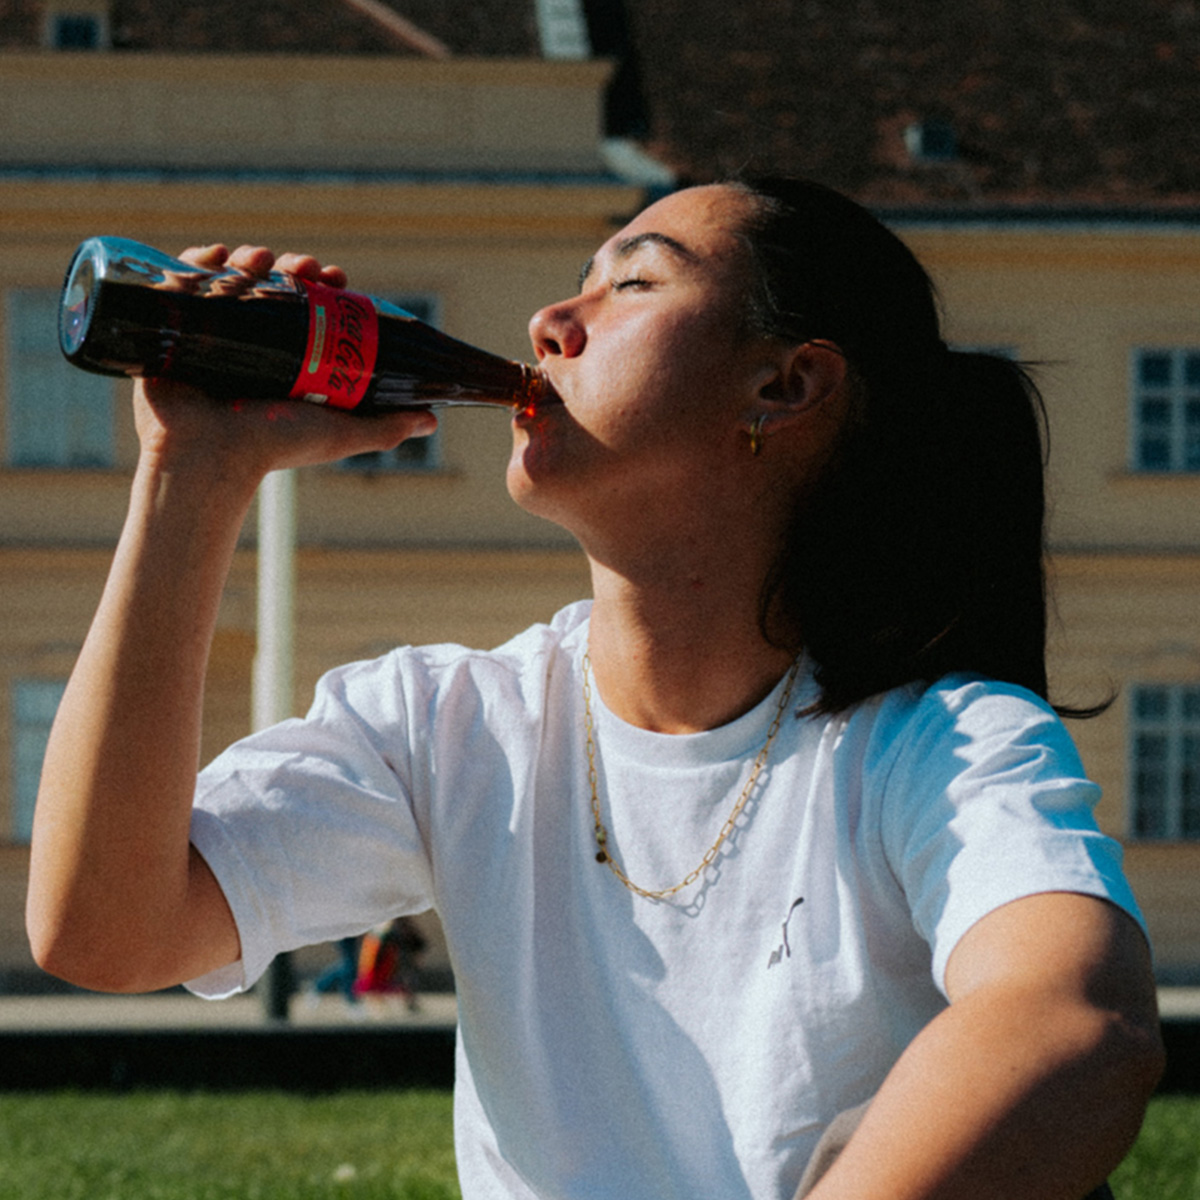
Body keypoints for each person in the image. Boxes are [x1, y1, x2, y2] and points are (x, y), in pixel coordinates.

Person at [26, 177, 1164, 1200]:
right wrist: (191, 471)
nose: (546, 324)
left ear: (782, 383)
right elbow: (106, 934)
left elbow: (1076, 1020)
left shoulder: (934, 744)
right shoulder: (450, 726)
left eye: (632, 282)